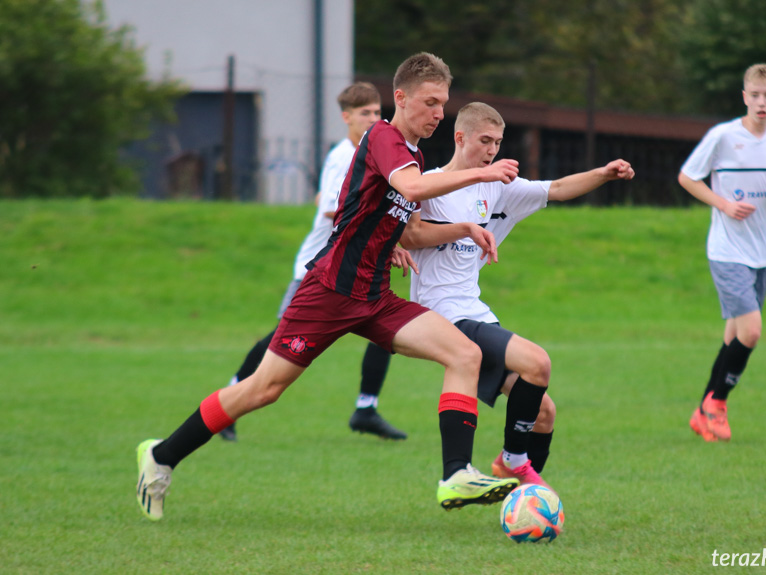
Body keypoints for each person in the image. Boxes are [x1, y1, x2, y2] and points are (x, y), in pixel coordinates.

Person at [136, 52, 523, 521]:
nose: (439, 113)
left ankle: (455, 474)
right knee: (263, 389)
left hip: (375, 297)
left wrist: (420, 237)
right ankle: (161, 456)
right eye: (430, 102)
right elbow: (415, 191)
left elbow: (399, 222)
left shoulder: (414, 153)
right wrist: (483, 172)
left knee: (465, 354)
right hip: (328, 293)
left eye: (443, 103)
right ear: (400, 98)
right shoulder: (384, 137)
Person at [398, 102, 635, 488]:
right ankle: (511, 461)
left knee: (543, 412)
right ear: (461, 138)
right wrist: (398, 244)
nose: (492, 150)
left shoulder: (497, 189)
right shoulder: (429, 185)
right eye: (485, 141)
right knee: (537, 362)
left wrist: (604, 174)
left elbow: (555, 188)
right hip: (440, 313)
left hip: (474, 310)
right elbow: (404, 229)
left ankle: (523, 496)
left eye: (498, 142)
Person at [219, 82, 407, 443]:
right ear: (346, 117)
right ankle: (230, 397)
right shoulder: (342, 156)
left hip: (354, 266)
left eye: (376, 112)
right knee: (280, 339)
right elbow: (330, 207)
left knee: (386, 331)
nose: (373, 118)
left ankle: (366, 408)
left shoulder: (374, 150)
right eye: (365, 113)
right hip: (318, 266)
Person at [679, 63, 766, 442]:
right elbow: (687, 177)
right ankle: (718, 403)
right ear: (744, 97)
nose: (761, 102)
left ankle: (702, 410)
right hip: (726, 250)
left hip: (762, 252)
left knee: (734, 335)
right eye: (755, 95)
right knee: (751, 332)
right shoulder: (723, 136)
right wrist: (722, 204)